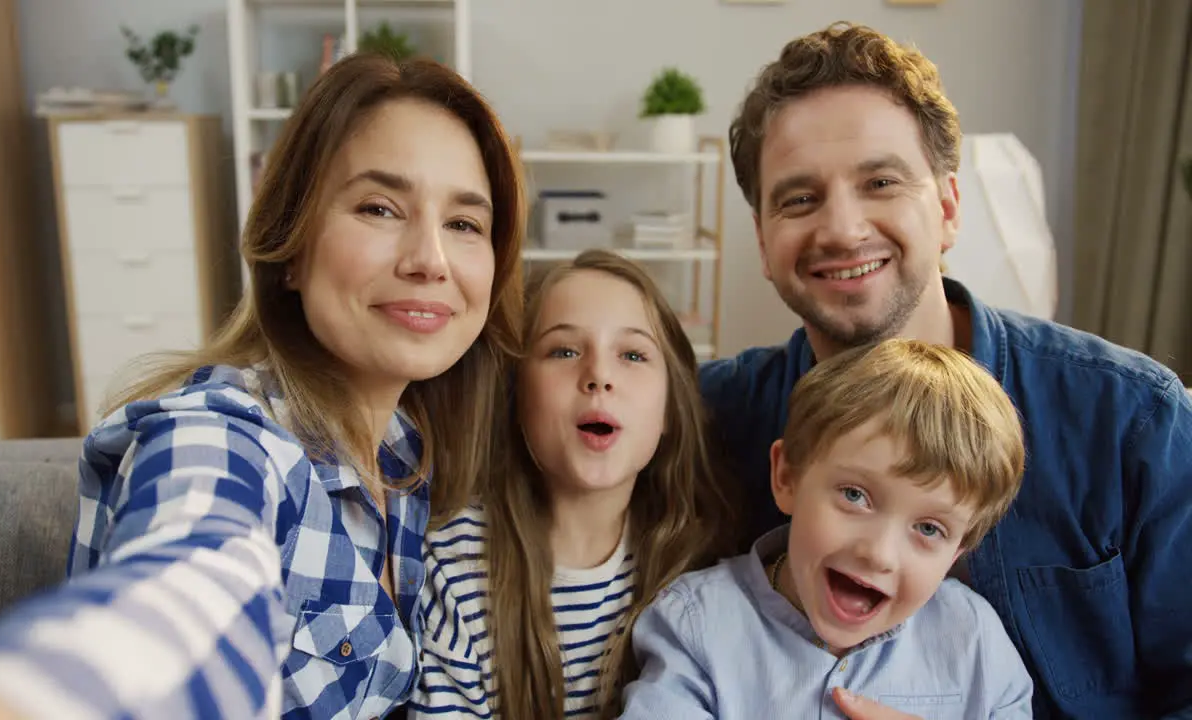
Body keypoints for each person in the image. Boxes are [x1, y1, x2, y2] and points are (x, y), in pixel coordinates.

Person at [0, 52, 526, 719]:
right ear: (291, 248)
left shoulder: (408, 454)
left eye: (464, 223)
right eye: (380, 208)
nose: (430, 260)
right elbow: (179, 602)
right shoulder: (221, 434)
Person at [701, 20, 1192, 720]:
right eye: (799, 198)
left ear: (949, 208)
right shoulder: (710, 420)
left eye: (881, 182)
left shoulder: (1132, 422)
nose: (842, 228)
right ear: (762, 238)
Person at [621, 338, 1033, 718]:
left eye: (928, 529)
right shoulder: (697, 623)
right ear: (787, 478)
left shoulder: (975, 639)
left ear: (956, 553)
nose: (879, 553)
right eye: (855, 496)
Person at [406, 250, 738, 719]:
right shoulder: (455, 569)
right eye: (564, 351)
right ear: (516, 394)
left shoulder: (704, 572)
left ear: (669, 410)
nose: (599, 376)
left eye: (632, 355)